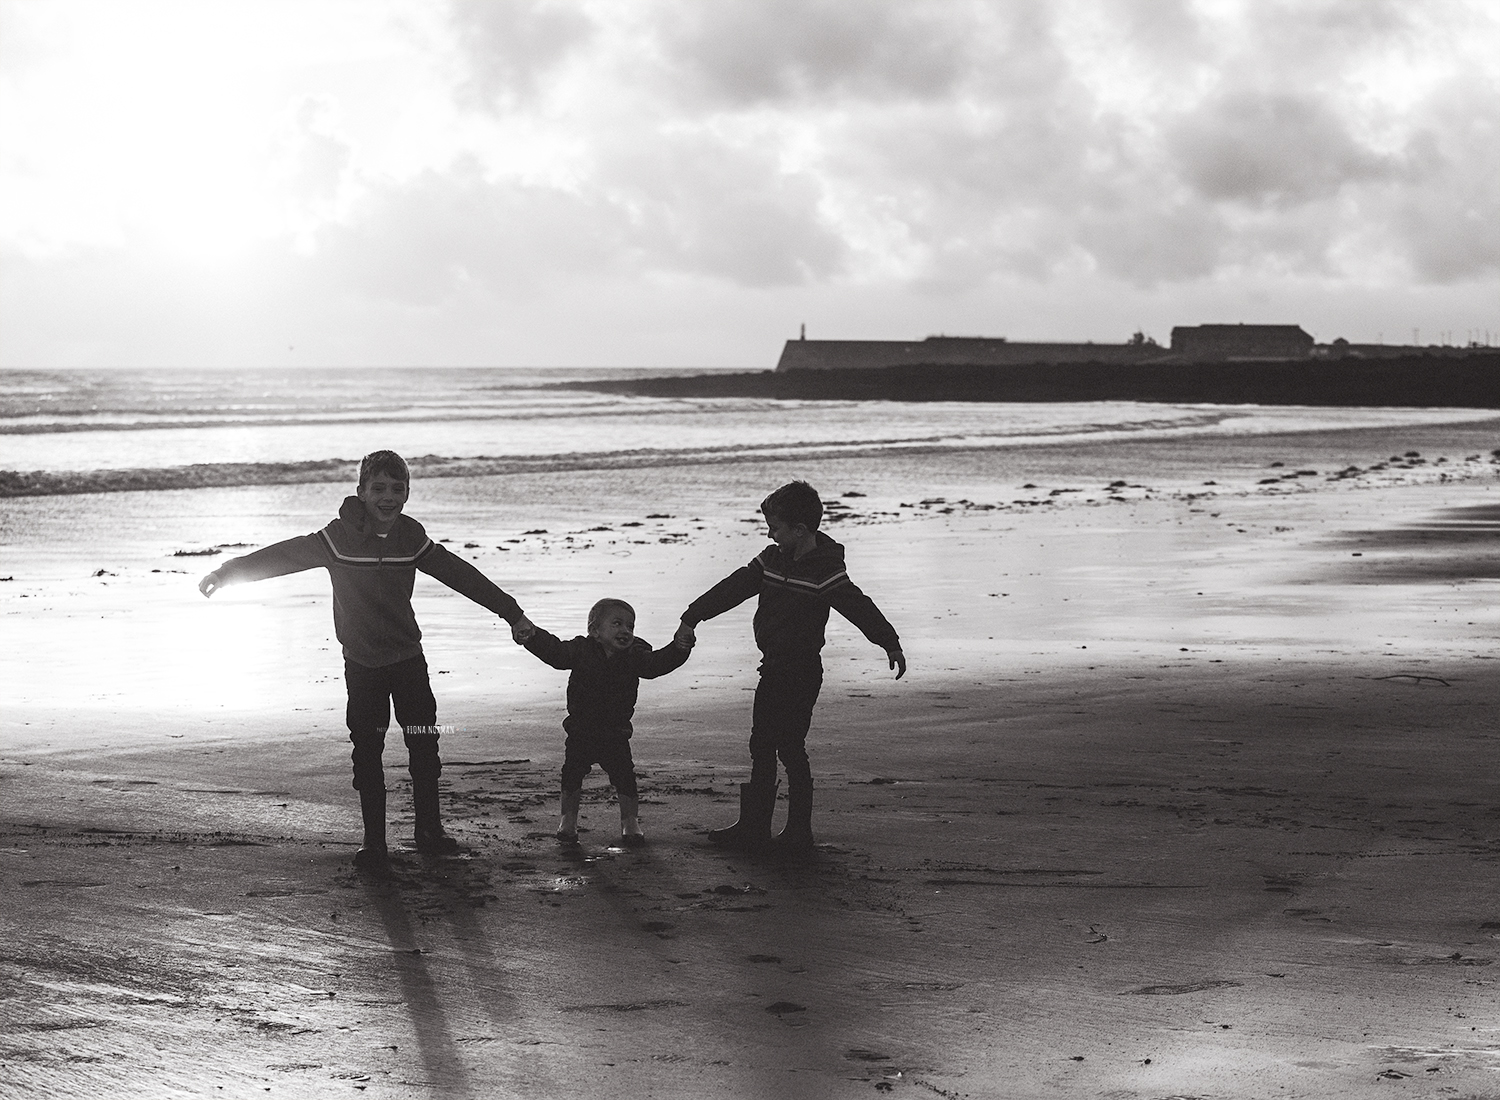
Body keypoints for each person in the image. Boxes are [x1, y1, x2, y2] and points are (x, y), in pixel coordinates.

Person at [197, 450, 532, 871]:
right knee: (368, 748)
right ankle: (375, 842)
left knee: (424, 742)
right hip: (363, 667)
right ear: (361, 491)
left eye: (397, 489)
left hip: (409, 661)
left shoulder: (411, 538)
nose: (388, 497)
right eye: (379, 488)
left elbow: (459, 574)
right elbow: (284, 556)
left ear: (408, 494)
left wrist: (510, 611)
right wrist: (227, 573)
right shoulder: (338, 539)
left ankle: (429, 831)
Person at [676, 480, 905, 855]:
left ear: (800, 530)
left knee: (791, 747)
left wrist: (888, 640)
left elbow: (859, 606)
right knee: (761, 743)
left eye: (776, 528)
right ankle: (754, 825)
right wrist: (693, 616)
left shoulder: (824, 572)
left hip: (802, 672)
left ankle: (798, 830)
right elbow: (732, 588)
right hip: (772, 668)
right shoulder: (770, 560)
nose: (770, 534)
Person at [513, 598, 693, 847]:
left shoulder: (635, 654)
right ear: (595, 631)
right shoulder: (580, 650)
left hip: (616, 733)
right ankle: (568, 820)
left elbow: (657, 665)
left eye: (630, 626)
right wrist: (532, 637)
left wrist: (680, 648)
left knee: (625, 778)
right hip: (581, 731)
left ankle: (630, 822)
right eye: (617, 624)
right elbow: (555, 652)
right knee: (572, 775)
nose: (625, 631)